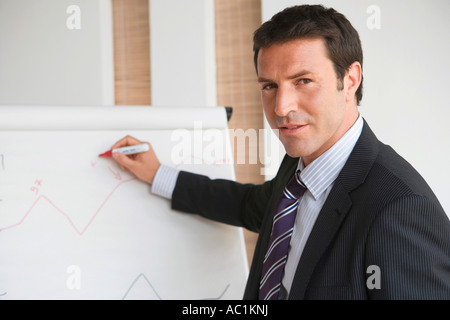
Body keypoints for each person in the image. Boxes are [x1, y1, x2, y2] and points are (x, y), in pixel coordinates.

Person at [110, 5, 450, 299]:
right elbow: (249, 206)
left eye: (303, 81)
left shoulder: (400, 207)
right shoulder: (298, 169)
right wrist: (158, 174)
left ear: (350, 80)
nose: (282, 108)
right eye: (269, 86)